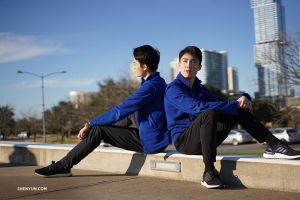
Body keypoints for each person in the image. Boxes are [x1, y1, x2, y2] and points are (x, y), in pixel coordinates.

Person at [164, 46, 300, 189]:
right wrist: (235, 104)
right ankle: (209, 172)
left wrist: (244, 98)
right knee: (211, 112)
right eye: (185, 61)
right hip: (184, 141)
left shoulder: (200, 88)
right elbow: (197, 107)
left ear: (199, 66)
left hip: (204, 138)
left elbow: (220, 105)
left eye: (193, 61)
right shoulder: (173, 89)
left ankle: (273, 145)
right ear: (179, 64)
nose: (188, 65)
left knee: (235, 110)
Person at [35, 45, 171, 177]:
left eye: (135, 62)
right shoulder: (157, 82)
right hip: (156, 135)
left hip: (151, 141)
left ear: (145, 67)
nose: (133, 65)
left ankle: (63, 166)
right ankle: (97, 137)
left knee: (99, 130)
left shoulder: (151, 86)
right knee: (112, 122)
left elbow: (121, 110)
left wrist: (90, 124)